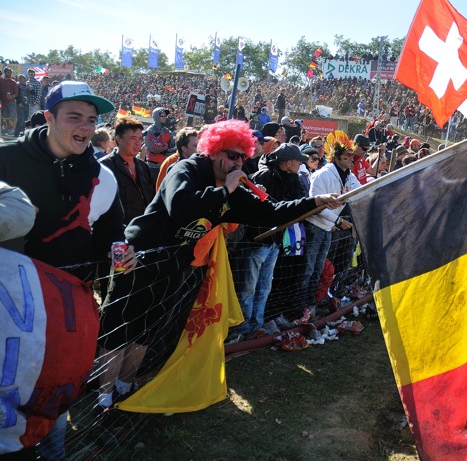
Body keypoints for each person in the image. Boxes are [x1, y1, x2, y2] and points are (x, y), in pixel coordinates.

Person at [96, 120, 340, 415]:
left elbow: (269, 212)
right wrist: (225, 191)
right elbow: (180, 206)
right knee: (120, 328)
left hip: (173, 264)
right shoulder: (187, 170)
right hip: (138, 256)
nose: (239, 162)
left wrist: (314, 201)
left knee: (146, 329)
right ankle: (102, 398)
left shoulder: (230, 187)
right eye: (232, 155)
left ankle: (126, 386)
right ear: (213, 150)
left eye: (242, 157)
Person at [0, 80, 136, 460]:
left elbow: (112, 233)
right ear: (48, 117)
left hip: (64, 309)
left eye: (91, 120)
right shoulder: (6, 160)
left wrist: (120, 251)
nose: (84, 127)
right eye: (73, 117)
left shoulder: (102, 175)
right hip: (8, 310)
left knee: (53, 397)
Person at [232, 143, 311, 338]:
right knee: (248, 287)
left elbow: (297, 202)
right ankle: (241, 328)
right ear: (288, 162)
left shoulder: (294, 179)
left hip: (275, 241)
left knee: (265, 286)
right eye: (298, 160)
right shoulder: (263, 176)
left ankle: (257, 324)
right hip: (256, 240)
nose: (301, 164)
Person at [301, 132, 361, 315]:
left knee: (318, 269)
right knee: (308, 269)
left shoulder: (349, 176)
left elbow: (361, 192)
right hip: (314, 227)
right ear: (336, 156)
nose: (352, 158)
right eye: (347, 155)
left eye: (353, 155)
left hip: (327, 228)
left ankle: (312, 303)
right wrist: (338, 220)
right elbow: (314, 205)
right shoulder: (323, 175)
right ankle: (301, 306)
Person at [99, 116, 155, 225]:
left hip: (144, 229)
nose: (138, 143)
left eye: (140, 138)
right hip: (118, 232)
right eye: (133, 138)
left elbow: (153, 199)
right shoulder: (104, 167)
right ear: (118, 139)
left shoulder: (144, 167)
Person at [143, 107, 175, 185]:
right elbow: (154, 147)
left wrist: (165, 148)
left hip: (165, 166)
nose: (165, 117)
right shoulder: (150, 131)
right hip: (153, 167)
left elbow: (174, 148)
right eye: (162, 115)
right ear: (156, 116)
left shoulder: (167, 131)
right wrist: (166, 149)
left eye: (165, 116)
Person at [0, 67, 18, 134]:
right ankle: (6, 130)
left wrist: (11, 96)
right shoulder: (1, 80)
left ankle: (13, 130)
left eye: (10, 72)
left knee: (13, 116)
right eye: (8, 72)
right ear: (5, 73)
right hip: (3, 102)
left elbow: (16, 93)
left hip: (11, 102)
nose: (9, 74)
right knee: (5, 117)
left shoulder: (13, 82)